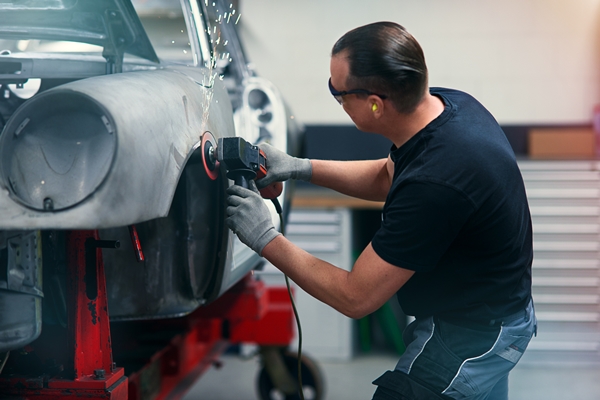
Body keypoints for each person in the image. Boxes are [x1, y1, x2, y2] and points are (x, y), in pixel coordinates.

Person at [225, 21, 536, 400]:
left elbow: (356, 297)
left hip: (477, 330)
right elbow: (389, 176)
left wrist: (265, 237)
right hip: (489, 308)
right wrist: (299, 167)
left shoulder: (436, 183)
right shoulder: (447, 107)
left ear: (375, 103)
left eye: (337, 92)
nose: (336, 98)